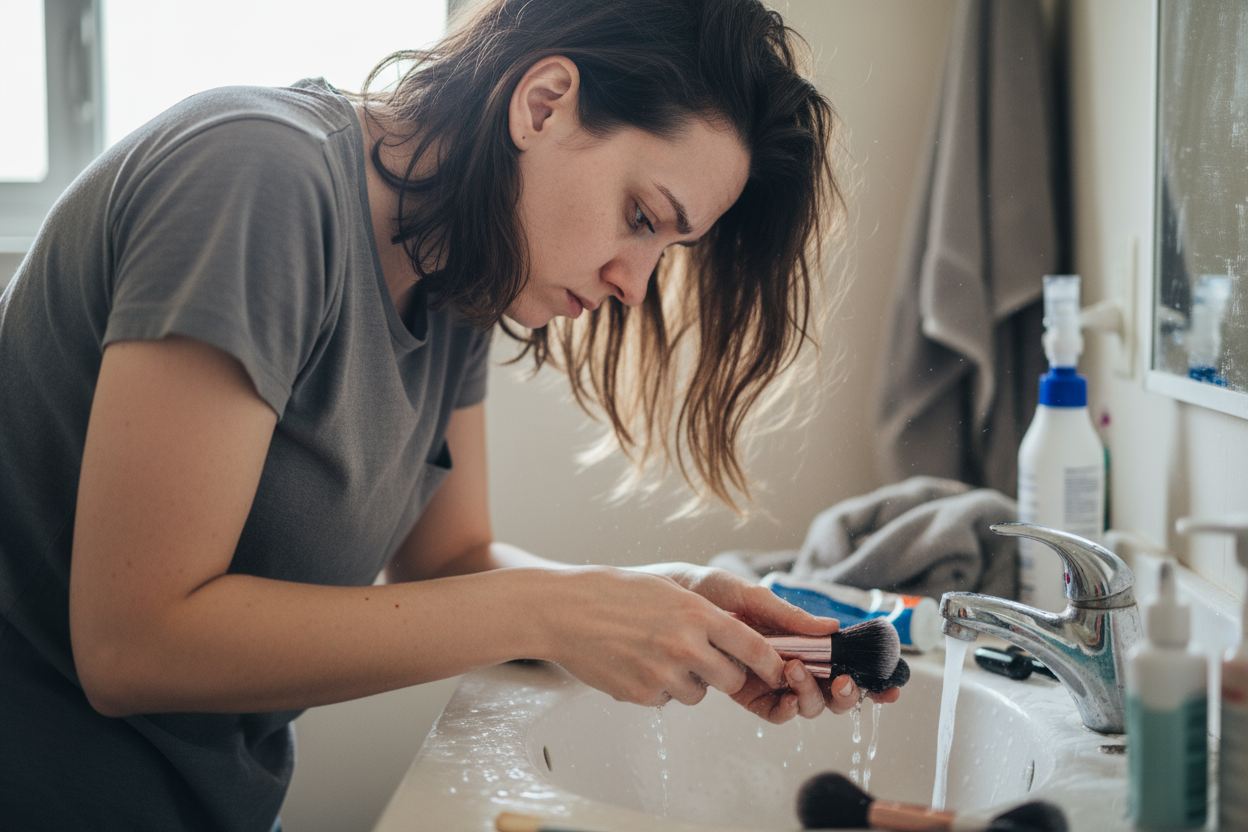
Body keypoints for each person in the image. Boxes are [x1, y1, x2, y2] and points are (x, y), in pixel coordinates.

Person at [0, 0, 898, 828]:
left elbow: (450, 561)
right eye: (640, 215)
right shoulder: (257, 178)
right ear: (543, 104)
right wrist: (555, 610)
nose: (634, 283)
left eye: (668, 245)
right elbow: (132, 645)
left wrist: (664, 602)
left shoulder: (456, 272)